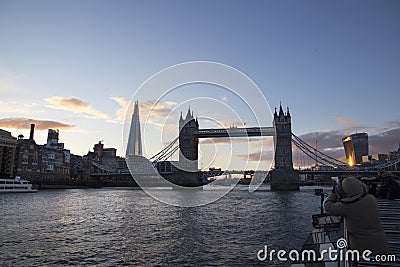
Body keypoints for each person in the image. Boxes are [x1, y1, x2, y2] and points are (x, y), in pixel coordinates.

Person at [324, 176, 390, 255]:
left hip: (363, 250)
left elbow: (327, 206)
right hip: (382, 244)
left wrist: (334, 192)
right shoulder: (371, 198)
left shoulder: (346, 206)